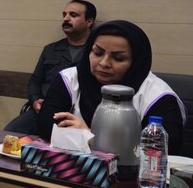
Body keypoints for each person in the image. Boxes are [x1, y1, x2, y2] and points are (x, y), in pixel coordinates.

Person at [36, 20, 186, 155]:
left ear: (136, 61)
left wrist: (89, 137)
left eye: (118, 58)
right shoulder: (69, 78)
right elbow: (46, 125)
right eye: (98, 53)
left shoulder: (159, 97)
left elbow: (163, 150)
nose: (104, 63)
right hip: (71, 166)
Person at [6, 0, 96, 133]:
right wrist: (35, 100)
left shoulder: (97, 52)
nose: (66, 19)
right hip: (44, 111)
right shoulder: (51, 49)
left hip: (79, 117)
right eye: (64, 15)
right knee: (9, 134)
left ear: (89, 21)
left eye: (73, 15)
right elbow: (35, 81)